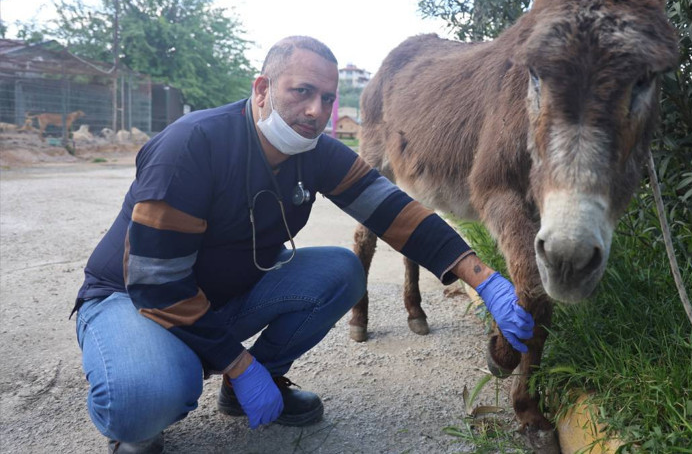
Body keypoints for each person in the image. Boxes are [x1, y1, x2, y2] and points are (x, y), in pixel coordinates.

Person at [73, 36, 534, 453]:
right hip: (134, 298)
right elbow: (158, 283)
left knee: (341, 271)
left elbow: (396, 212)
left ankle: (250, 383)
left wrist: (487, 280)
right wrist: (236, 360)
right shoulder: (192, 146)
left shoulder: (315, 153)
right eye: (302, 92)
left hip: (218, 298)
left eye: (328, 98)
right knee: (145, 398)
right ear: (261, 89)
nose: (317, 110)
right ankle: (133, 425)